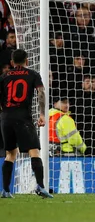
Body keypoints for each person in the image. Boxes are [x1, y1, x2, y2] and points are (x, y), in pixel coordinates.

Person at [1, 49, 51, 198]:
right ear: (27, 60)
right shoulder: (33, 75)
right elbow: (41, 93)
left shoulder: (3, 76)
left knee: (10, 154)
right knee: (34, 151)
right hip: (23, 118)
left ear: (12, 62)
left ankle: (5, 190)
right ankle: (41, 187)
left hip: (6, 118)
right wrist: (42, 113)